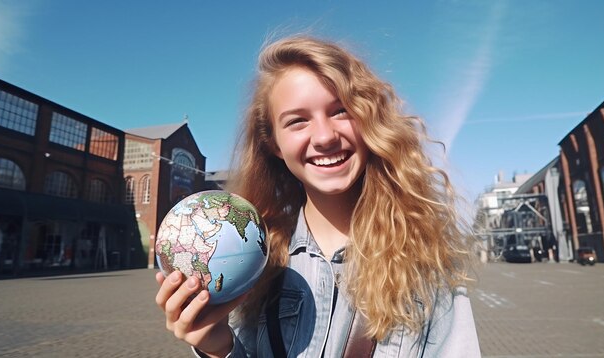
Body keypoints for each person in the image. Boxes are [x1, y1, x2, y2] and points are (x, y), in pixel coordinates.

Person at [155, 35, 481, 357]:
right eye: (298, 121)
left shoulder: (427, 259)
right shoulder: (250, 264)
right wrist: (217, 348)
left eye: (341, 111)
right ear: (274, 144)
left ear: (370, 119)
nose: (325, 137)